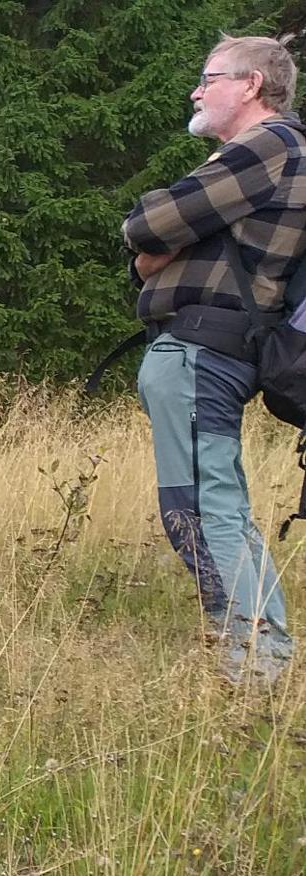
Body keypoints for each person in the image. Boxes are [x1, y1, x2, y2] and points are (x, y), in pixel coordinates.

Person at [122, 35, 305, 684]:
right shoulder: (273, 155)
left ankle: (259, 666)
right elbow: (150, 252)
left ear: (251, 84)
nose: (196, 91)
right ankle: (257, 655)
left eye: (209, 78)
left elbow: (147, 227)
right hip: (213, 348)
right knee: (209, 502)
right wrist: (158, 247)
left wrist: (156, 238)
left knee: (201, 508)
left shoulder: (268, 145)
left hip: (204, 350)